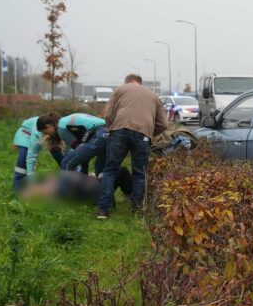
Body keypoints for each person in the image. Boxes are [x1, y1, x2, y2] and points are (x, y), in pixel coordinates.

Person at [97, 73, 168, 219]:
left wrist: (112, 129)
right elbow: (164, 124)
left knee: (110, 169)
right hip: (143, 133)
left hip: (119, 130)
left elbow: (108, 114)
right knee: (139, 174)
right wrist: (149, 133)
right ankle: (136, 211)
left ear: (127, 81)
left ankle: (103, 210)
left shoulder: (120, 90)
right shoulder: (153, 95)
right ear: (140, 83)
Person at [19, 168, 133, 205]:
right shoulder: (57, 193)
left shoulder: (55, 185)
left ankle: (128, 194)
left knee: (120, 171)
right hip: (97, 191)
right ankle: (130, 195)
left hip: (95, 185)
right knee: (121, 171)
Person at [12, 115, 63, 190]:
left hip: (45, 133)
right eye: (44, 133)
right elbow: (31, 156)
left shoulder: (60, 128)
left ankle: (71, 179)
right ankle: (17, 187)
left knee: (58, 155)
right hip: (25, 134)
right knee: (23, 158)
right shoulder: (39, 134)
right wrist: (31, 179)